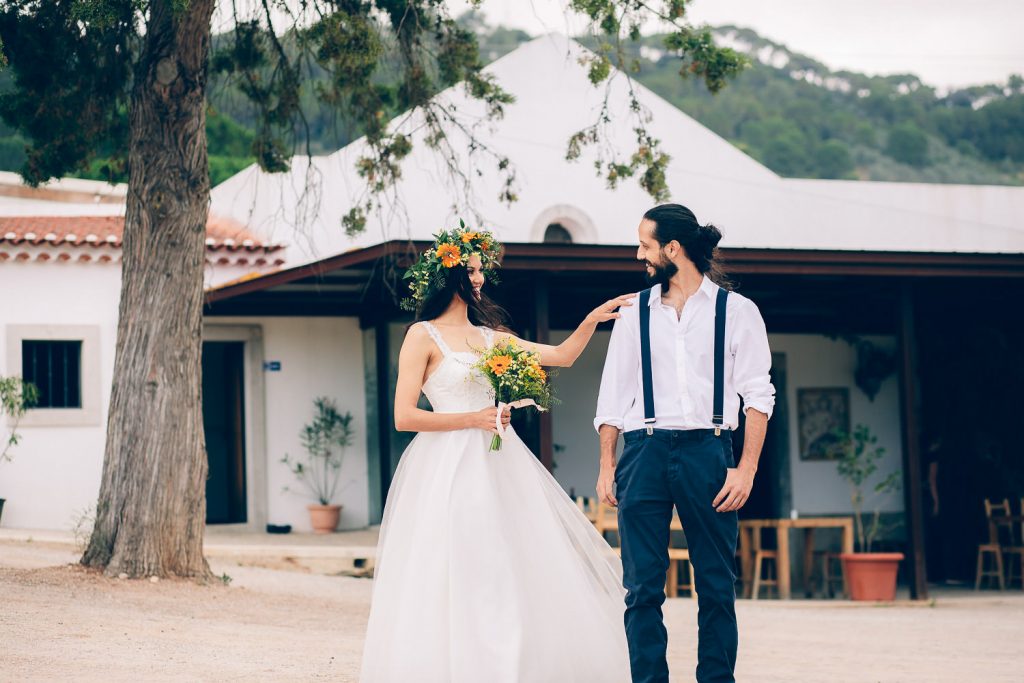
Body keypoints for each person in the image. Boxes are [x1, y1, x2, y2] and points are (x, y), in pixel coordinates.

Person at [359, 226, 634, 682]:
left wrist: (592, 319)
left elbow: (562, 356)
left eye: (482, 270)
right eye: (471, 270)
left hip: (498, 462)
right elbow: (404, 417)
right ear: (451, 275)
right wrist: (473, 418)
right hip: (445, 467)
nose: (480, 278)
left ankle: (505, 664)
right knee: (452, 563)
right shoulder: (421, 337)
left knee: (503, 563)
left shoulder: (493, 338)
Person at [595, 204, 775, 683]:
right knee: (642, 589)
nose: (640, 255)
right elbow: (614, 392)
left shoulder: (738, 311)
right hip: (644, 452)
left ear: (672, 249)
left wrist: (747, 469)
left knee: (716, 585)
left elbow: (759, 395)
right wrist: (607, 463)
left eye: (645, 246)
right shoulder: (634, 312)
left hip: (710, 452)